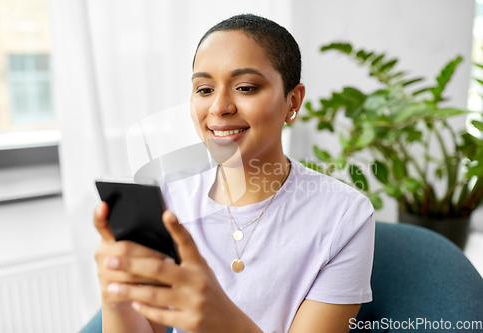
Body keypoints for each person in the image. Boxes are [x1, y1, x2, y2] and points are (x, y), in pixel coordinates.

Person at [93, 14, 375, 333]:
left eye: (245, 87)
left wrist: (222, 320)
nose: (219, 107)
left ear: (292, 101)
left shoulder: (344, 215)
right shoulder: (168, 196)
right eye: (204, 89)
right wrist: (115, 298)